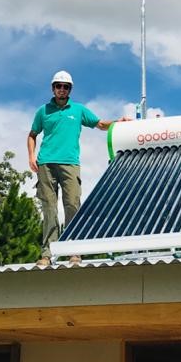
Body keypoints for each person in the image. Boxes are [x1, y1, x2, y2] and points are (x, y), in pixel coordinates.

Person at [27, 70, 128, 265]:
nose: (61, 90)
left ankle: (74, 250)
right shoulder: (43, 111)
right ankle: (48, 253)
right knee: (49, 207)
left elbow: (100, 124)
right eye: (58, 86)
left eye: (65, 87)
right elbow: (32, 134)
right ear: (53, 88)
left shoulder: (79, 109)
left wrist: (118, 122)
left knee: (72, 204)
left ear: (70, 89)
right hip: (46, 163)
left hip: (70, 163)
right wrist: (31, 156)